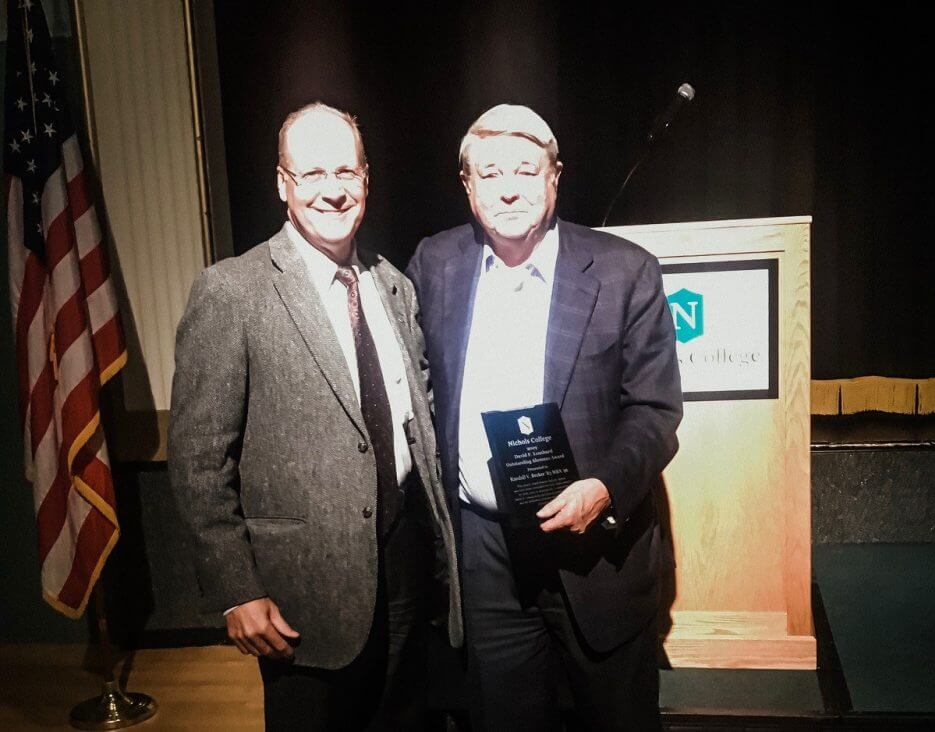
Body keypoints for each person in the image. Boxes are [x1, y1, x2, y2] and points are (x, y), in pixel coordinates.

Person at [168, 102, 461, 731]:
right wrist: (235, 589)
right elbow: (197, 461)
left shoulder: (393, 285)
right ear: (282, 184)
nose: (333, 191)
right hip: (302, 595)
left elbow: (421, 423)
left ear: (366, 178)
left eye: (347, 172)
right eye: (312, 175)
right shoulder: (232, 291)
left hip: (407, 571)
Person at [406, 104, 683, 731]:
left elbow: (655, 409)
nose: (509, 188)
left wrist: (605, 488)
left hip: (597, 548)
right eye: (491, 172)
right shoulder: (434, 265)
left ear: (555, 177)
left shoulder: (624, 270)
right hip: (485, 552)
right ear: (466, 185)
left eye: (527, 171)